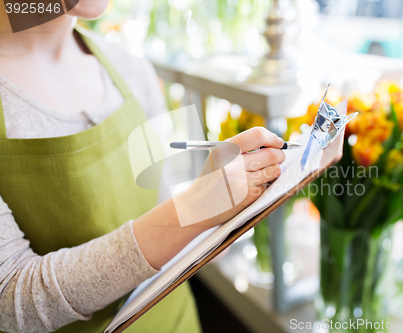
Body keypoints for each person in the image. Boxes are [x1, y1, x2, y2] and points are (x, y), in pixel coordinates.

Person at [0, 1, 343, 332]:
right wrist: (192, 208)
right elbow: (10, 304)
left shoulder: (130, 68)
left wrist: (212, 199)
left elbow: (156, 211)